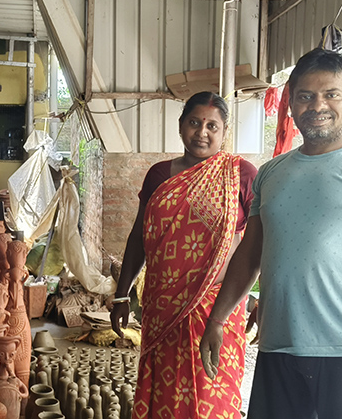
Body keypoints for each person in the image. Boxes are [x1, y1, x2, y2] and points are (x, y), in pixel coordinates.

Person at [199, 48, 342, 419]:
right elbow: (250, 254)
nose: (317, 105)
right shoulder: (271, 174)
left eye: (331, 94)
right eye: (305, 96)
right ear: (290, 104)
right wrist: (218, 318)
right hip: (278, 354)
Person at [110, 91, 258, 419]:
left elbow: (262, 243)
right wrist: (122, 295)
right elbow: (139, 238)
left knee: (213, 394)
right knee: (165, 395)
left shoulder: (241, 175)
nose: (202, 132)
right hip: (164, 306)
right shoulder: (159, 176)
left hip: (219, 308)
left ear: (224, 132)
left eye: (212, 126)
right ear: (180, 126)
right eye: (194, 122)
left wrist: (264, 297)